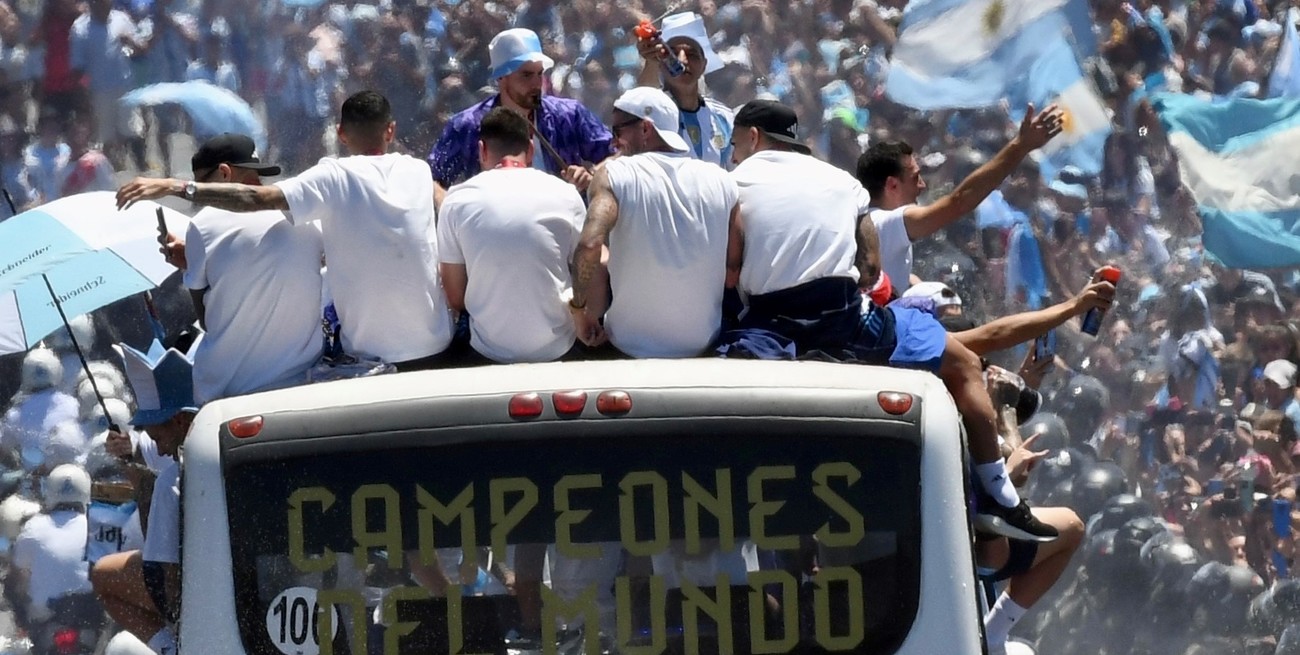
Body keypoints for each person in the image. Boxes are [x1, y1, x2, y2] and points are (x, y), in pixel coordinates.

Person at [723, 99, 1057, 542]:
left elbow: (729, 266)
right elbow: (870, 261)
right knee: (961, 361)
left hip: (770, 326)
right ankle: (997, 494)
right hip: (845, 319)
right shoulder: (843, 184)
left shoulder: (729, 183)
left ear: (751, 138)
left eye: (734, 144)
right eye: (915, 173)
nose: (732, 154)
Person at [116, 91, 454, 371]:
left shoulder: (333, 175)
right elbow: (455, 207)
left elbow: (254, 198)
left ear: (340, 133)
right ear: (391, 131)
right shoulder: (419, 171)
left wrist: (176, 187)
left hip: (371, 359)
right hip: (439, 346)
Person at [570, 86, 739, 358]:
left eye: (618, 131)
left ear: (646, 129)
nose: (613, 143)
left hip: (626, 346)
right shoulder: (722, 180)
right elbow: (733, 268)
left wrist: (579, 311)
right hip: (703, 345)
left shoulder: (615, 174)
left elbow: (590, 244)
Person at [156, 134, 323, 404]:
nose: (201, 198)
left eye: (201, 187)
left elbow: (209, 320)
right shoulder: (305, 215)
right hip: (304, 381)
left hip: (232, 394)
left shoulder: (204, 223)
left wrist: (193, 264)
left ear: (224, 174)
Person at [855, 104, 1064, 294]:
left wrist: (917, 286)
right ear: (892, 185)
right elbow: (959, 202)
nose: (922, 185)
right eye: (915, 178)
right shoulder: (886, 223)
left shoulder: (873, 222)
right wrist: (1019, 146)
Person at [437, 107, 589, 363]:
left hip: (487, 352)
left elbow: (455, 297)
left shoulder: (456, 200)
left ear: (482, 150)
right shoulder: (566, 194)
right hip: (560, 348)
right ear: (530, 149)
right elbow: (588, 265)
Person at [91, 339, 197, 655]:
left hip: (191, 580)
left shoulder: (170, 481)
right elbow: (144, 449)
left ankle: (169, 649)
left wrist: (180, 624)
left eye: (159, 437)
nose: (161, 448)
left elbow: (168, 573)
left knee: (103, 576)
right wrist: (129, 450)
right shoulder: (216, 443)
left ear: (179, 421)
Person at [428, 28, 612, 196]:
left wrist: (591, 175)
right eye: (526, 75)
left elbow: (617, 155)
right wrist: (447, 207)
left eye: (539, 73)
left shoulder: (569, 115)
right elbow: (431, 179)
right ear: (501, 78)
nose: (536, 83)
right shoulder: (468, 126)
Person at [635, 12, 735, 167]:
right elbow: (642, 104)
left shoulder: (723, 118)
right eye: (673, 54)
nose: (682, 61)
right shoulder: (653, 116)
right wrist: (651, 60)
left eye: (692, 55)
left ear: (704, 65)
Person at [8, 465, 96, 641]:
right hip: (89, 615)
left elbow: (18, 575)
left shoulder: (34, 526)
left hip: (44, 616)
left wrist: (20, 612)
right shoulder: (97, 526)